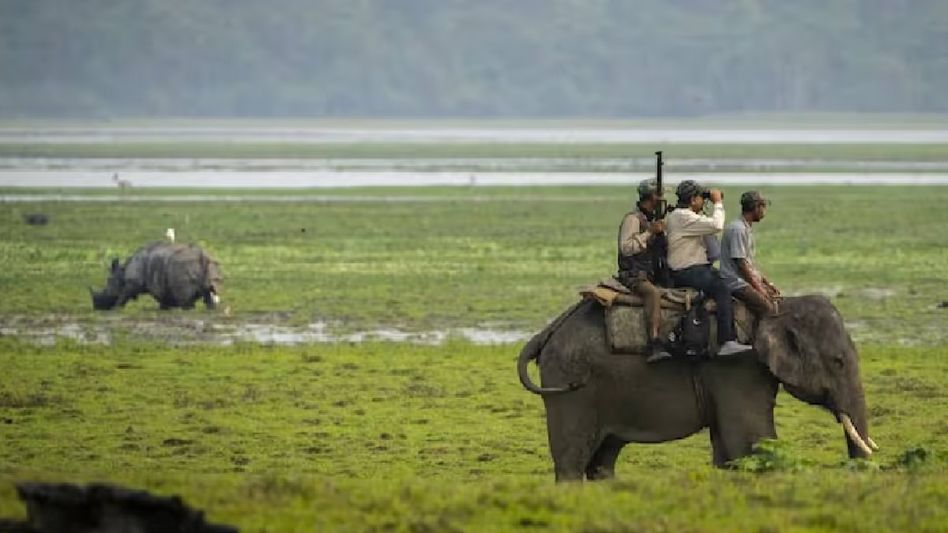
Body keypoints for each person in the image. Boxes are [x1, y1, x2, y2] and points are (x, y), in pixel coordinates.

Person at [665, 180, 752, 357]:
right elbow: (717, 225)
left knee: (723, 281)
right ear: (692, 200)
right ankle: (726, 341)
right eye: (701, 198)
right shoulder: (682, 216)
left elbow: (714, 251)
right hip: (687, 270)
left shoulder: (686, 217)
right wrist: (717, 202)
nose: (703, 202)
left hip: (694, 268)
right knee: (722, 288)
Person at [617, 178, 673, 363]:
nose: (662, 199)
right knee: (653, 294)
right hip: (633, 274)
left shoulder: (652, 219)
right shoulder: (633, 219)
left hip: (650, 272)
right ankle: (653, 340)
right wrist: (649, 233)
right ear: (651, 197)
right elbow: (626, 248)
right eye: (659, 195)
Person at [720, 191, 780, 317]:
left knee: (775, 299)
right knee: (768, 309)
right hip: (736, 283)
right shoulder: (738, 229)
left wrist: (767, 283)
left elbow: (749, 264)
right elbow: (742, 265)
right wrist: (760, 289)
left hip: (744, 280)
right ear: (756, 207)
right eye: (763, 206)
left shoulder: (745, 227)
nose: (764, 211)